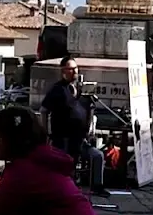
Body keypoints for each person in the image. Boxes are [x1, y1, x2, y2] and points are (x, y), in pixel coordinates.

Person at [40, 57, 105, 191]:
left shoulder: (82, 90)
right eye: (70, 69)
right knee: (67, 164)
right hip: (63, 139)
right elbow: (44, 110)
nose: (75, 71)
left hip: (80, 138)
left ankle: (97, 187)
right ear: (63, 71)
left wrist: (90, 127)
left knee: (98, 156)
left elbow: (90, 109)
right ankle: (65, 187)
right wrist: (45, 133)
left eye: (76, 68)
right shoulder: (58, 89)